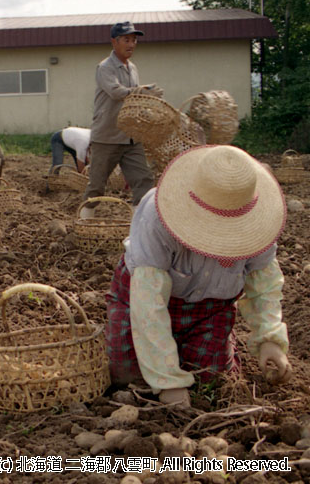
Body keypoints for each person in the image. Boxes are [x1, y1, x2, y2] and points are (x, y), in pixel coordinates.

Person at [105, 145, 291, 407]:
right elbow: (148, 305)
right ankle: (166, 355)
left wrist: (269, 339)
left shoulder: (261, 225)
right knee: (125, 374)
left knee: (211, 378)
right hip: (142, 299)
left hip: (210, 310)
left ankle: (209, 343)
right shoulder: (157, 215)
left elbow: (264, 287)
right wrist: (167, 381)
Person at [80, 21, 163, 219]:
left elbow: (134, 99)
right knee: (96, 186)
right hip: (107, 136)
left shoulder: (132, 68)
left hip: (131, 137)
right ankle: (84, 223)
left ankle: (140, 225)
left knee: (143, 180)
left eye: (134, 40)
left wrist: (147, 98)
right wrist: (142, 91)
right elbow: (116, 92)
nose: (131, 44)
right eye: (127, 39)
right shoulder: (105, 67)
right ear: (114, 42)